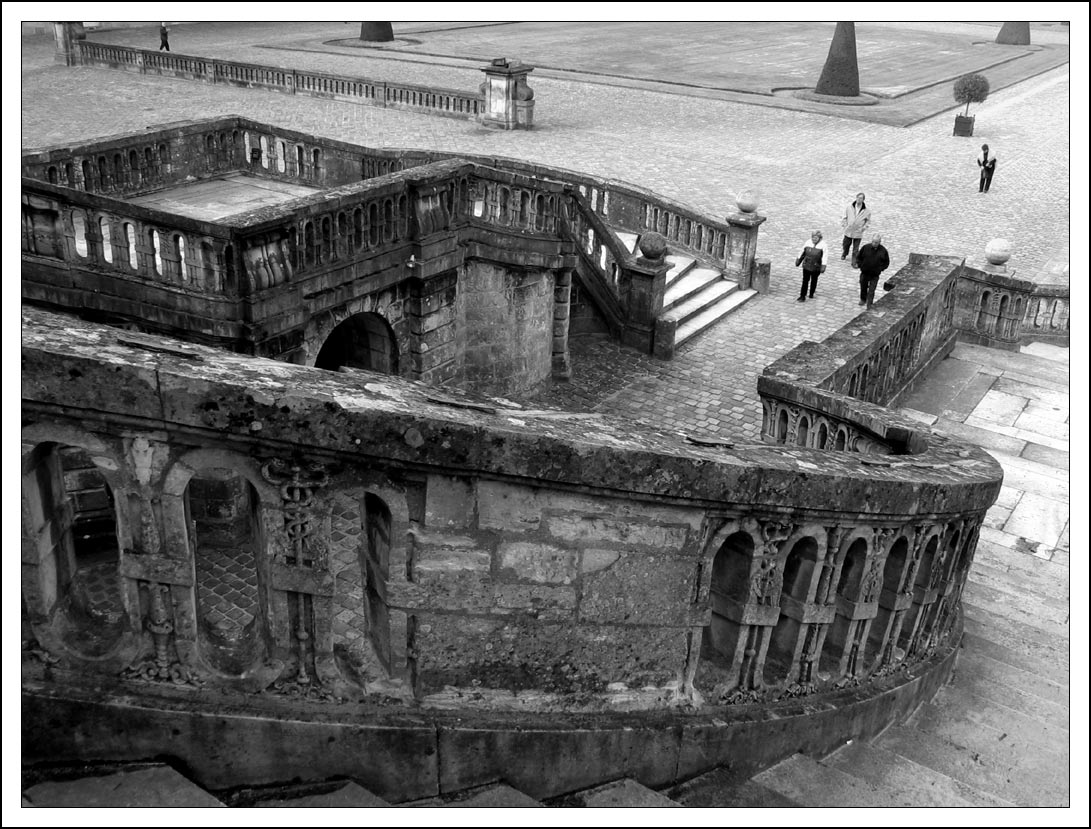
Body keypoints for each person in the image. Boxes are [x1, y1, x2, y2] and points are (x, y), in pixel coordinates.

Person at [856, 233, 890, 309]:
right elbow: (859, 257)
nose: (874, 243)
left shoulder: (883, 251)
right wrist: (860, 265)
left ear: (879, 242)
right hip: (865, 272)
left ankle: (869, 304)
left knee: (872, 290)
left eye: (876, 242)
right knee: (863, 286)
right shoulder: (865, 247)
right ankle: (863, 299)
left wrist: (880, 268)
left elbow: (886, 262)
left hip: (875, 274)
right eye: (873, 241)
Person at [794, 229, 827, 302]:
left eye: (816, 238)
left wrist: (823, 266)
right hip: (807, 265)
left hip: (816, 266)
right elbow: (802, 251)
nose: (814, 239)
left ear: (819, 238)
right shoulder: (808, 242)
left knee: (814, 280)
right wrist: (798, 260)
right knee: (805, 281)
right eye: (813, 237)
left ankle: (811, 293)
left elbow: (825, 256)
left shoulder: (823, 245)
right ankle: (802, 296)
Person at [840, 192, 870, 268]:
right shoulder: (849, 207)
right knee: (846, 244)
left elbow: (868, 221)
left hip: (858, 232)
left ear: (863, 200)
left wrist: (863, 228)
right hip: (849, 230)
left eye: (861, 198)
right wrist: (845, 225)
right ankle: (845, 253)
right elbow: (844, 217)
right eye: (858, 197)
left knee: (855, 249)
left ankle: (854, 262)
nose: (859, 199)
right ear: (856, 198)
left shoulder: (866, 211)